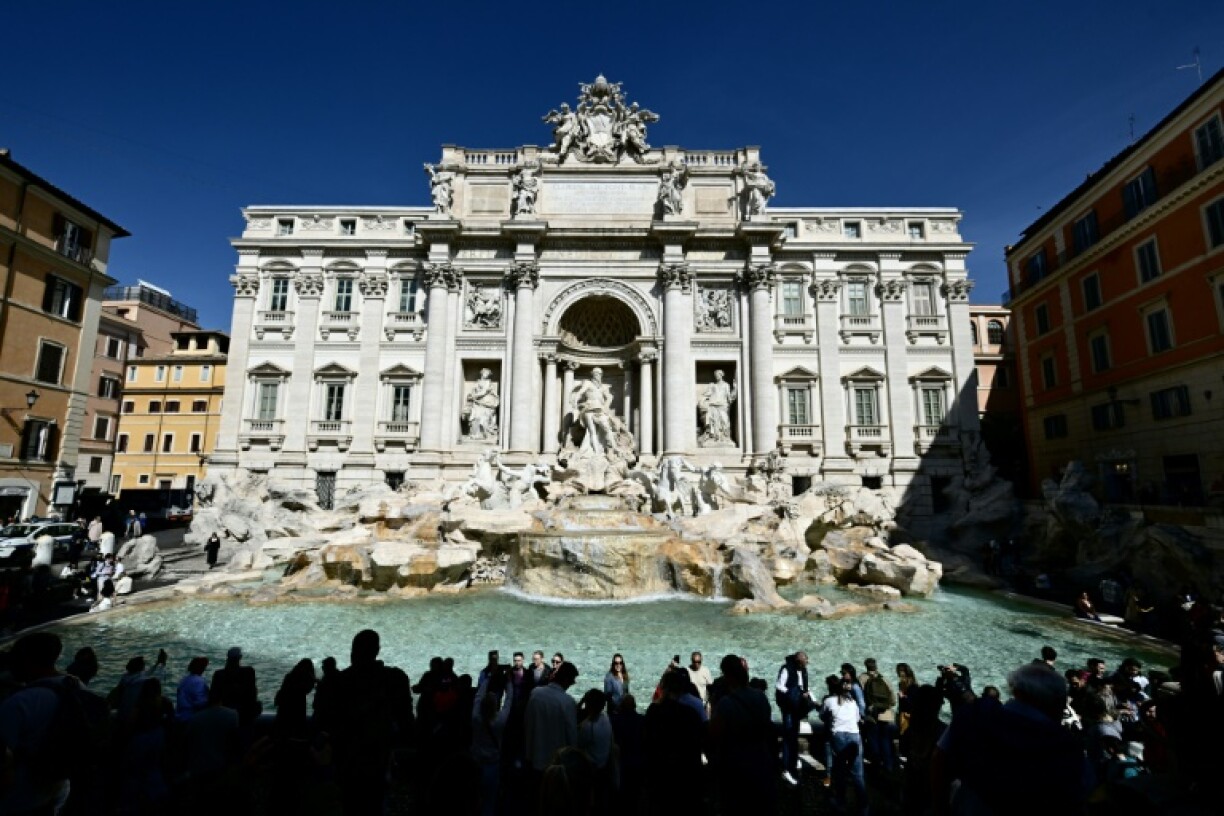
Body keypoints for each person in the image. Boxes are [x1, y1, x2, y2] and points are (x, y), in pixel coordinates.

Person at [932, 663, 1091, 816]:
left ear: (1015, 690)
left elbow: (939, 761)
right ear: (1057, 702)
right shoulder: (1067, 748)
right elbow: (1076, 799)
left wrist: (941, 809)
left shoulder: (975, 714)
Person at [315, 629, 415, 816]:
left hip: (346, 762)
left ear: (352, 652)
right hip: (378, 760)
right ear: (377, 650)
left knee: (350, 805)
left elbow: (321, 721)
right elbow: (407, 724)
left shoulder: (335, 683)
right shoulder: (394, 679)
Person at [0, 632, 91, 816]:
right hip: (61, 787)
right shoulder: (76, 685)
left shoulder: (19, 702)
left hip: (21, 799)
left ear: (27, 660)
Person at [709, 654, 776, 814]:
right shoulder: (760, 697)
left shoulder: (726, 703)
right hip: (760, 759)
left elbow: (715, 734)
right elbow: (766, 723)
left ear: (727, 676)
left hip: (735, 763)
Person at [525, 660, 579, 779]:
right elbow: (572, 735)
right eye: (571, 681)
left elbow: (528, 723)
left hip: (534, 756)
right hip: (556, 762)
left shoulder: (535, 693)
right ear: (566, 680)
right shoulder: (568, 702)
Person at [823, 676, 868, 816]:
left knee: (840, 771)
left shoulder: (829, 701)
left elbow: (822, 715)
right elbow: (856, 719)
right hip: (854, 735)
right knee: (858, 774)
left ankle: (841, 802)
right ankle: (864, 806)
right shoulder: (853, 702)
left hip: (839, 735)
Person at [775, 651, 812, 784]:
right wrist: (793, 694)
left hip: (798, 706)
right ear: (799, 661)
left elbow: (804, 686)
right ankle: (786, 767)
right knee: (788, 736)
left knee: (794, 735)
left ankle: (792, 761)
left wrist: (807, 696)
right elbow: (779, 686)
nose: (807, 663)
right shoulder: (786, 669)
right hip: (789, 706)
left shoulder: (803, 670)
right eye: (805, 661)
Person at [861, 657, 898, 771]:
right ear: (876, 666)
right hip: (887, 716)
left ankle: (876, 767)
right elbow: (893, 700)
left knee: (874, 741)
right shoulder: (884, 679)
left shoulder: (862, 678)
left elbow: (861, 700)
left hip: (873, 716)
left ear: (866, 666)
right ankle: (888, 767)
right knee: (886, 742)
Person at [211, 646, 261, 726]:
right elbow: (253, 694)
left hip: (226, 712)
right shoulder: (249, 672)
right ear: (240, 657)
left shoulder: (219, 674)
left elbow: (214, 696)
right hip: (245, 713)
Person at [698, 370, 737, 444]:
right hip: (713, 405)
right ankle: (714, 438)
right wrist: (702, 400)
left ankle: (725, 438)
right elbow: (706, 394)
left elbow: (729, 397)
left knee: (724, 421)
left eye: (717, 375)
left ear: (721, 375)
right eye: (715, 375)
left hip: (722, 406)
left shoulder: (726, 385)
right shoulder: (713, 385)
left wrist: (735, 389)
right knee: (712, 421)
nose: (716, 376)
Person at [465, 368, 500, 440]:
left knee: (484, 419)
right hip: (477, 403)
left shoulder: (489, 383)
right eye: (485, 373)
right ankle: (476, 434)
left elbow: (490, 393)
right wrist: (473, 396)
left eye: (487, 373)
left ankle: (485, 435)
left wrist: (475, 397)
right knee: (475, 418)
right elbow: (472, 393)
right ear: (482, 373)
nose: (485, 374)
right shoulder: (477, 383)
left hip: (486, 404)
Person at [175, 656, 210, 721]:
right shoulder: (199, 681)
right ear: (202, 668)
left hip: (179, 716)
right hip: (190, 718)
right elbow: (199, 702)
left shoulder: (184, 680)